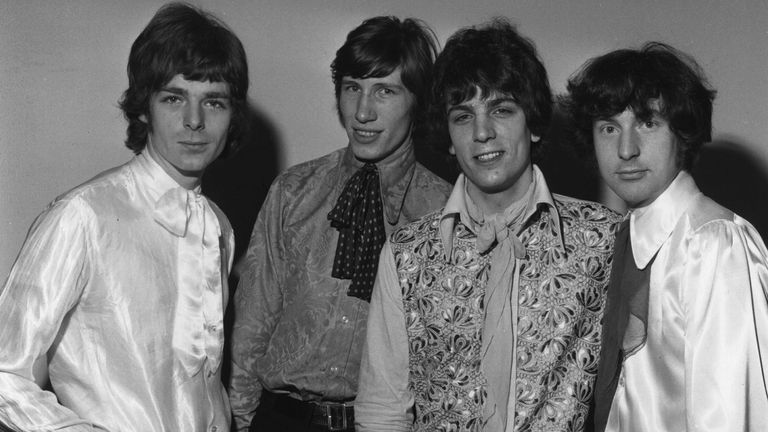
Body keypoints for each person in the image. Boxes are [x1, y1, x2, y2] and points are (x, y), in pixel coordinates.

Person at [355, 19, 621, 432]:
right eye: (463, 117)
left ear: (532, 123)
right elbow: (382, 409)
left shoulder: (605, 238)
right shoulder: (408, 254)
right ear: (446, 135)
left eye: (501, 110)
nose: (482, 132)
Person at [0, 3, 248, 431]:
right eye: (174, 98)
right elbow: (5, 374)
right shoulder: (83, 216)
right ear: (142, 108)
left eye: (214, 102)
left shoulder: (219, 226)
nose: (194, 121)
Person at [228, 16, 452, 432]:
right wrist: (238, 421)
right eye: (353, 88)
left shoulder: (445, 211)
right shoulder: (294, 190)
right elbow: (252, 323)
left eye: (384, 91)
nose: (363, 112)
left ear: (417, 101)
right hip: (282, 420)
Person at [566, 42, 768, 432]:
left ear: (683, 131)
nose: (626, 149)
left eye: (647, 123)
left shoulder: (713, 245)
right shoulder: (621, 238)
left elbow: (729, 419)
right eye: (609, 127)